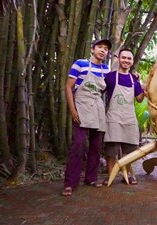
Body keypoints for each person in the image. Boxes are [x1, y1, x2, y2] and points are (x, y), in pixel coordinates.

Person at [62, 39, 112, 196]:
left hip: (98, 108)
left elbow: (110, 87)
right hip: (82, 107)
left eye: (106, 49)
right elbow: (68, 87)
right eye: (100, 47)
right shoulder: (80, 64)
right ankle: (70, 183)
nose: (103, 51)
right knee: (78, 144)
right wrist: (72, 109)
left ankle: (91, 178)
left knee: (96, 146)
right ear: (92, 49)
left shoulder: (106, 69)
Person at [103, 48, 145, 186]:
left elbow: (139, 99)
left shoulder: (134, 80)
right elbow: (98, 90)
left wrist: (145, 88)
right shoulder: (110, 77)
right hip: (114, 117)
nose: (126, 60)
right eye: (124, 58)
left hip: (129, 118)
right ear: (119, 59)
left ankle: (128, 175)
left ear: (132, 61)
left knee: (130, 150)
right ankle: (111, 176)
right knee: (111, 150)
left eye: (129, 58)